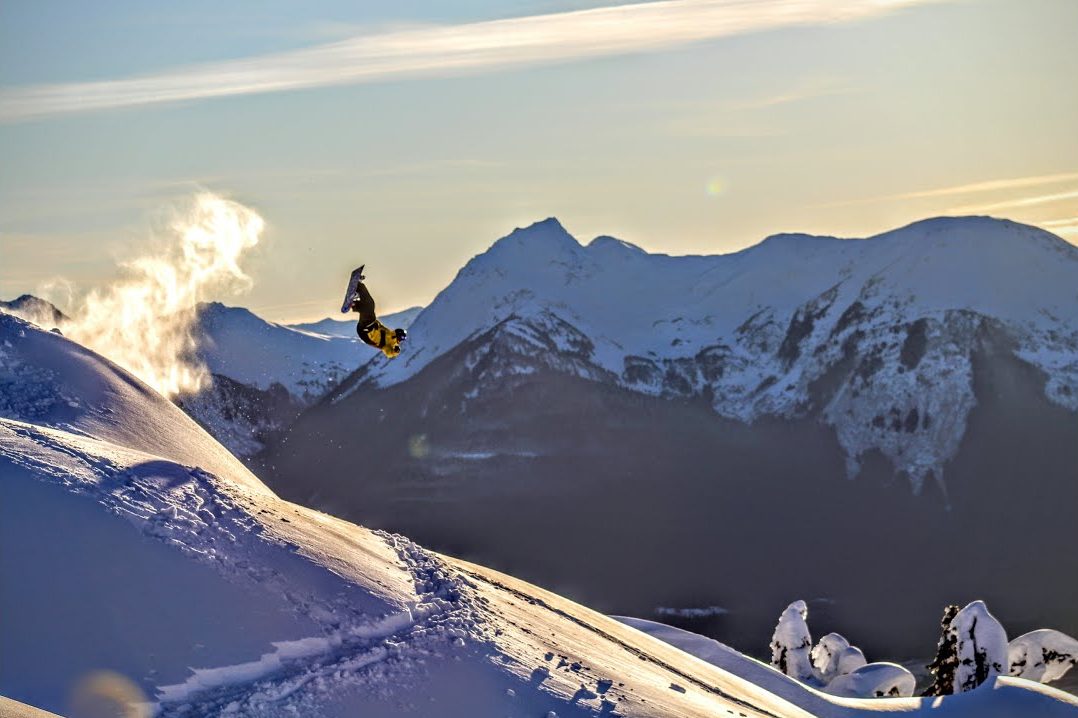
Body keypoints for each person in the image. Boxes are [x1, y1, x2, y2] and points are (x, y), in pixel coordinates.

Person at [341, 266, 407, 359]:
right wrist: (376, 322)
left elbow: (388, 353)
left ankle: (354, 303)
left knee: (369, 308)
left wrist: (395, 351)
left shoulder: (391, 344)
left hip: (366, 332)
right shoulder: (390, 334)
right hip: (368, 326)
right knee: (370, 304)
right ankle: (358, 286)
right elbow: (381, 328)